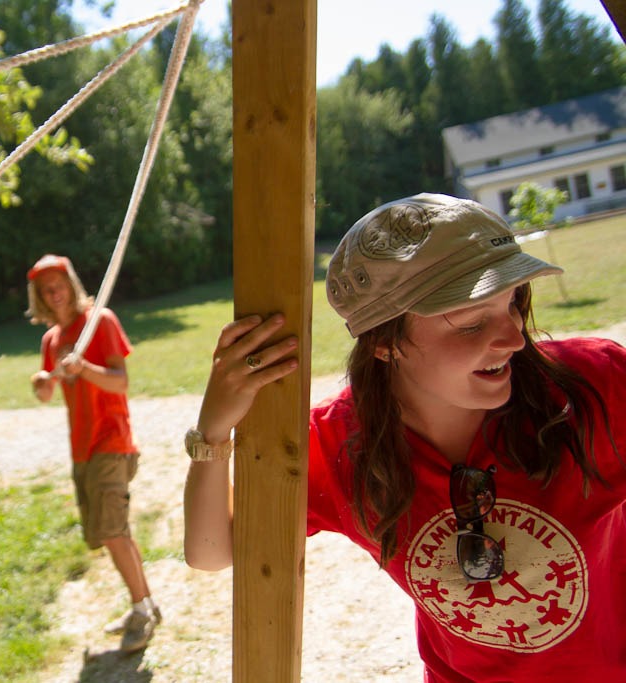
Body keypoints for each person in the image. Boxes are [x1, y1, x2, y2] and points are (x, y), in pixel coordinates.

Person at [183, 194, 625, 681]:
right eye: (473, 321)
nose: (515, 339)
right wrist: (214, 431)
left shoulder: (593, 384)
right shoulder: (339, 447)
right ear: (384, 342)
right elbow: (212, 551)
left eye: (514, 302)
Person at [26, 253, 161, 653]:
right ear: (40, 296)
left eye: (59, 284)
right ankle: (146, 603)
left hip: (111, 440)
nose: (55, 293)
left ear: (71, 283)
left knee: (113, 531)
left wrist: (82, 367)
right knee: (113, 531)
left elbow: (121, 383)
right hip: (82, 448)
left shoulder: (100, 322)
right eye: (46, 289)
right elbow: (49, 391)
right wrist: (41, 384)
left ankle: (140, 611)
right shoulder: (51, 340)